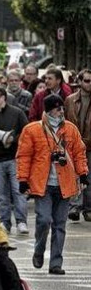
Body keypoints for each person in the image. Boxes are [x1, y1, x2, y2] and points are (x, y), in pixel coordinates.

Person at [17, 94, 88, 275]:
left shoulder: (70, 129)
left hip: (65, 184)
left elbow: (79, 153)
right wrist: (23, 180)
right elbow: (24, 156)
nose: (61, 112)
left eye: (62, 108)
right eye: (57, 109)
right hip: (43, 184)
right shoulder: (32, 130)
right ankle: (39, 250)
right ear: (48, 110)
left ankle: (56, 262)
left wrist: (83, 175)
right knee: (43, 220)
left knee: (60, 224)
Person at [0, 86, 29, 234]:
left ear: (3, 98)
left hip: (15, 158)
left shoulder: (17, 113)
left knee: (18, 191)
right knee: (1, 194)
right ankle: (5, 222)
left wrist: (12, 140)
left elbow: (26, 132)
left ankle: (21, 222)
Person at [65, 69, 91, 221]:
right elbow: (66, 120)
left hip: (90, 144)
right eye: (87, 81)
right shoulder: (70, 100)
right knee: (74, 175)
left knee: (89, 176)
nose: (89, 84)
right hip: (74, 143)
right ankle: (75, 206)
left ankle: (88, 208)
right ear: (80, 82)